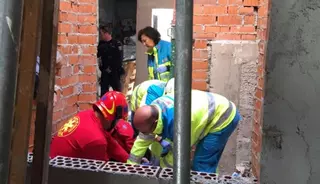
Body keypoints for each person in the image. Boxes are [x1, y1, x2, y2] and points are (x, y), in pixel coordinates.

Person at [127, 90, 241, 173]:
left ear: (156, 122)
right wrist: (131, 169)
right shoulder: (153, 109)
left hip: (223, 116)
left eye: (147, 132)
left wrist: (160, 170)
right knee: (203, 161)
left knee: (202, 164)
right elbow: (142, 141)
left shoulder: (181, 123)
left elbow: (178, 154)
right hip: (206, 110)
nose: (146, 135)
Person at [50, 91, 133, 162]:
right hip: (58, 174)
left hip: (52, 161)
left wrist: (130, 161)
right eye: (118, 120)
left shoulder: (87, 114)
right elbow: (102, 174)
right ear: (110, 119)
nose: (117, 125)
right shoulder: (97, 140)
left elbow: (111, 144)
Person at [98, 25, 124, 96]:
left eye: (101, 33)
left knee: (118, 92)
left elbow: (119, 59)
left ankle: (119, 106)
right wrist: (103, 69)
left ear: (106, 33)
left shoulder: (116, 44)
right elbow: (98, 57)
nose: (100, 35)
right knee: (104, 93)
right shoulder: (101, 44)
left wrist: (112, 69)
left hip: (115, 72)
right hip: (105, 72)